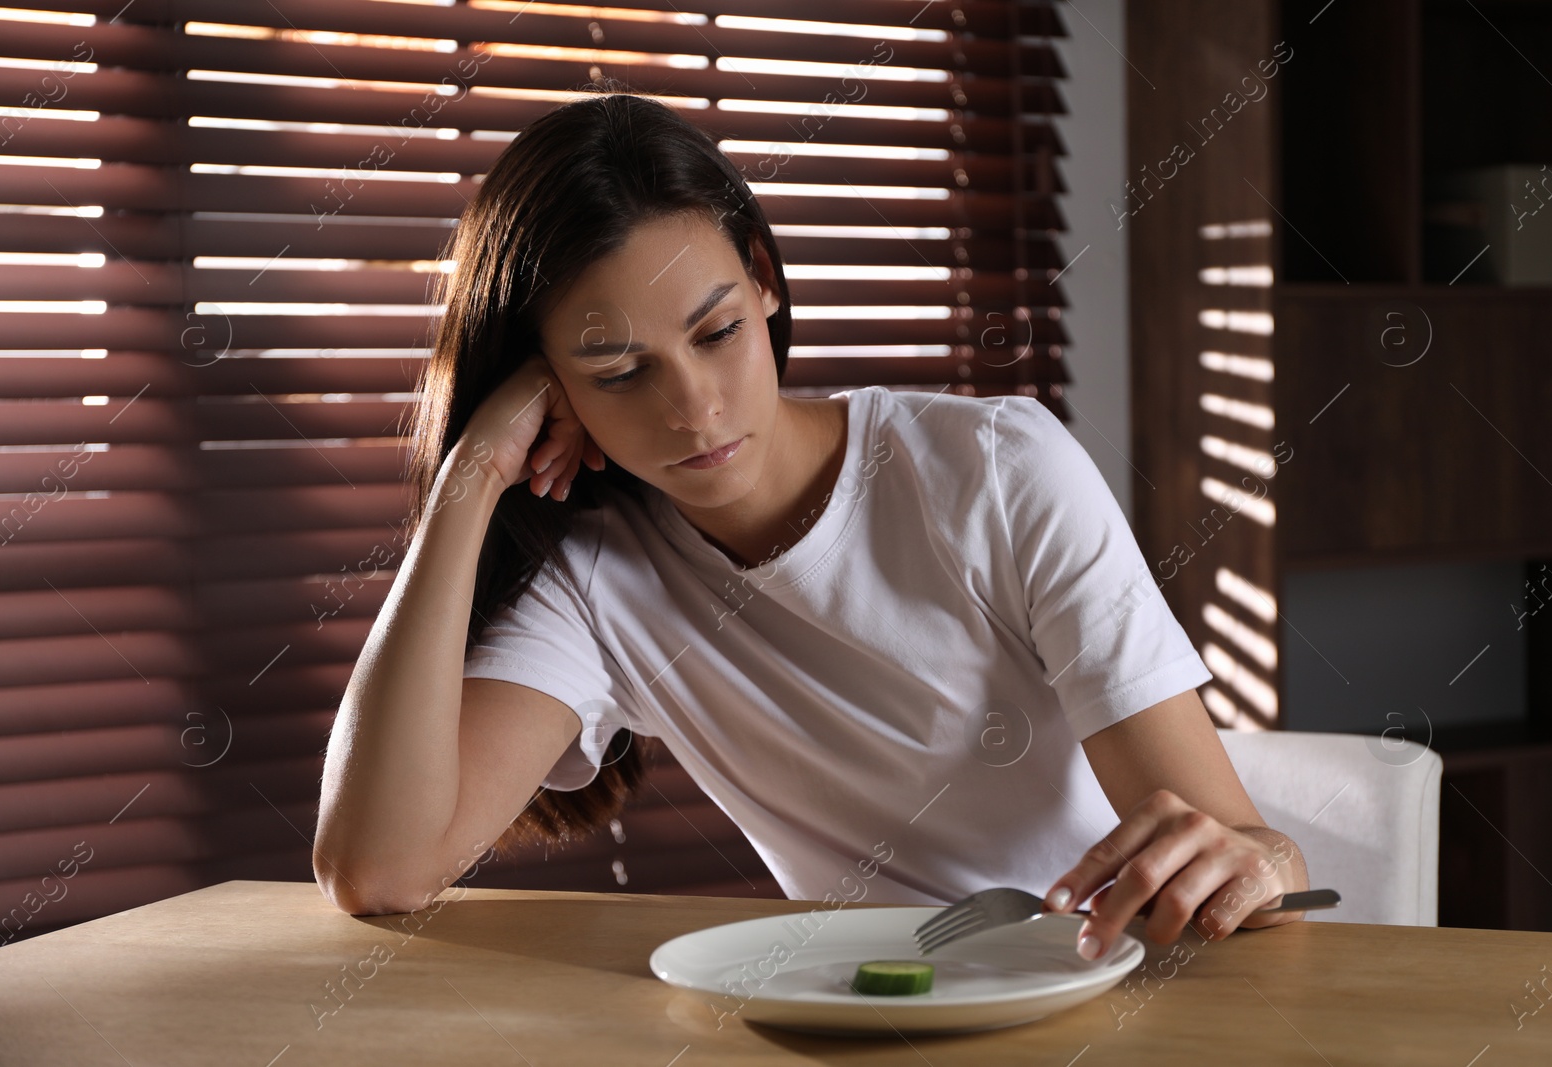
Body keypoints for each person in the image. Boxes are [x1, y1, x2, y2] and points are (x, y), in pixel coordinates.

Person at [312, 91, 1309, 962]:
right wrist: (470, 479)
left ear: (763, 279)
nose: (694, 407)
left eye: (716, 332)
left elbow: (1236, 846)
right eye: (618, 372)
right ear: (550, 389)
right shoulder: (596, 575)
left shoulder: (994, 469)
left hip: (1106, 990)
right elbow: (377, 869)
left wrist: (1256, 858)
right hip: (867, 1015)